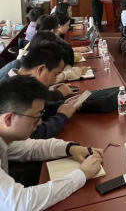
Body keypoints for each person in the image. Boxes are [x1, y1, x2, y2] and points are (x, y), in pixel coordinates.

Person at [0, 76, 104, 211]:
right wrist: (82, 175)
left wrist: (70, 148)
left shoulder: (6, 136)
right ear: (9, 119)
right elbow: (21, 204)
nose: (40, 122)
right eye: (36, 116)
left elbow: (30, 148)